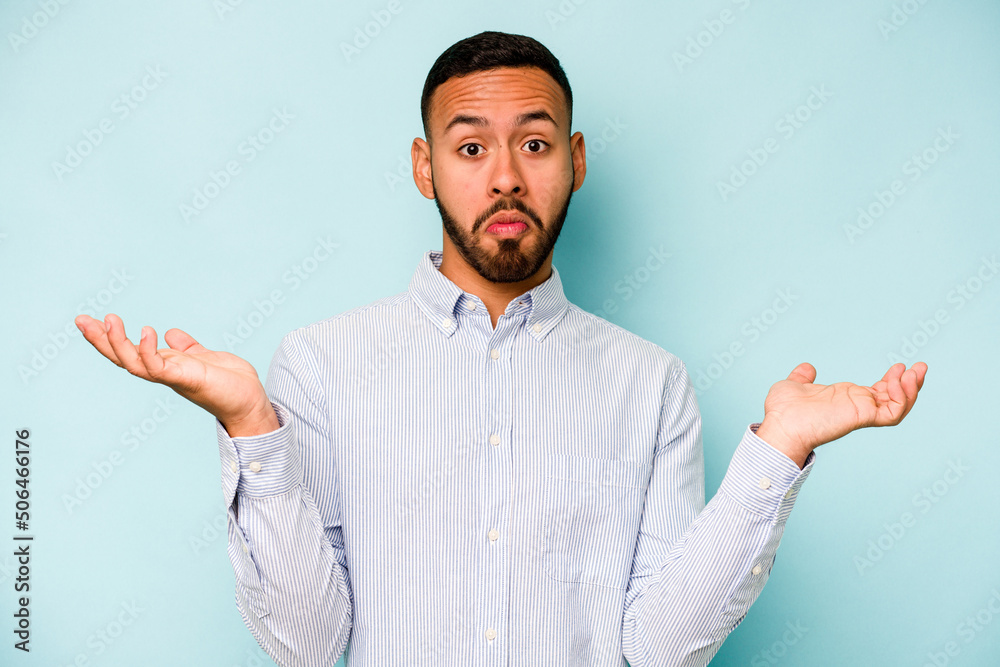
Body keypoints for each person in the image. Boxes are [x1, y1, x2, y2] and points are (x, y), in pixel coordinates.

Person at [75, 31, 927, 667]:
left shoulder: (651, 382)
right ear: (425, 166)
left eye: (535, 143)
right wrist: (251, 427)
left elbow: (662, 647)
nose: (507, 176)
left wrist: (777, 451)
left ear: (576, 160)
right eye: (472, 146)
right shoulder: (321, 362)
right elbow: (307, 643)